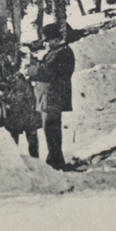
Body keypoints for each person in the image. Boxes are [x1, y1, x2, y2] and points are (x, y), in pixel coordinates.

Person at [26, 23, 77, 170]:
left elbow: (47, 72)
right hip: (49, 97)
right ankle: (55, 158)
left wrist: (31, 68)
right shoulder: (58, 51)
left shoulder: (62, 53)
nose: (45, 44)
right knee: (51, 129)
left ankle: (56, 161)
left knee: (51, 129)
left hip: (53, 97)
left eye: (47, 41)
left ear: (55, 40)